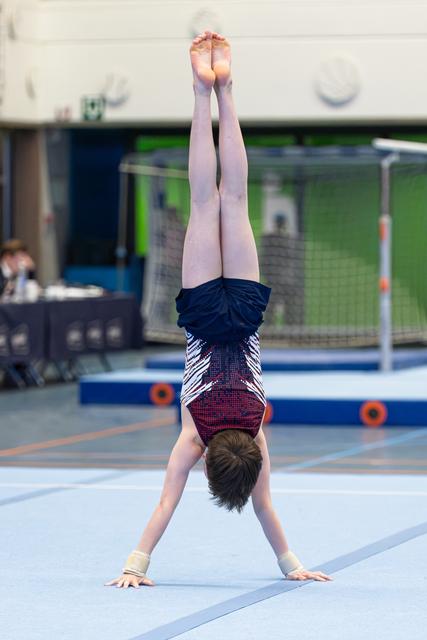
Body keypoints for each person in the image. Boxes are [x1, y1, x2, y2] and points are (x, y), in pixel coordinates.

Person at [105, 31, 332, 589]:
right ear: (208, 463)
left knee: (234, 198)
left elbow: (264, 508)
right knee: (206, 198)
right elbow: (165, 505)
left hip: (247, 313)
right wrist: (135, 565)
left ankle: (226, 85)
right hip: (205, 313)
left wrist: (293, 564)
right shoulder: (193, 436)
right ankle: (202, 92)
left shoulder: (256, 433)